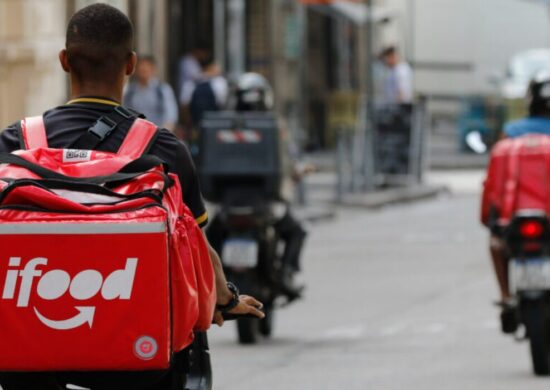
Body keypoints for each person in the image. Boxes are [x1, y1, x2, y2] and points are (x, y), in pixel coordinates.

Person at [0, 4, 263, 390]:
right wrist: (224, 299)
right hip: (138, 362)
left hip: (29, 356)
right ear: (130, 65)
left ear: (63, 62)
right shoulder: (163, 149)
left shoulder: (15, 142)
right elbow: (197, 246)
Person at [487, 70, 550, 332]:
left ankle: (505, 296)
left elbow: (492, 183)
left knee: (495, 244)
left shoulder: (511, 133)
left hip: (512, 216)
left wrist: (490, 219)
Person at [123, 55, 178, 131]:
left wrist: (163, 134)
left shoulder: (162, 90)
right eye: (140, 68)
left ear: (153, 69)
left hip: (157, 134)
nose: (143, 70)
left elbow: (170, 116)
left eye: (146, 68)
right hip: (135, 134)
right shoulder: (130, 91)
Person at [181, 56, 228, 127]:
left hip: (196, 121)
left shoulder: (191, 82)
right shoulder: (219, 82)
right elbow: (222, 103)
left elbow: (184, 105)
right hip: (213, 120)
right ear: (210, 67)